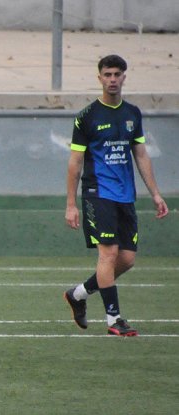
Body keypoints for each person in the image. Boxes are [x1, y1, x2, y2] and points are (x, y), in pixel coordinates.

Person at [63, 54, 169, 336]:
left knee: (127, 259)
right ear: (99, 78)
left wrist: (155, 194)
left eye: (117, 75)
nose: (112, 79)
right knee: (108, 253)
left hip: (125, 195)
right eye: (107, 75)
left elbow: (141, 154)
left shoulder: (132, 113)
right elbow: (75, 162)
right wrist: (71, 204)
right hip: (98, 193)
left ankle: (79, 293)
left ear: (124, 77)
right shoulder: (86, 117)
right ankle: (114, 319)